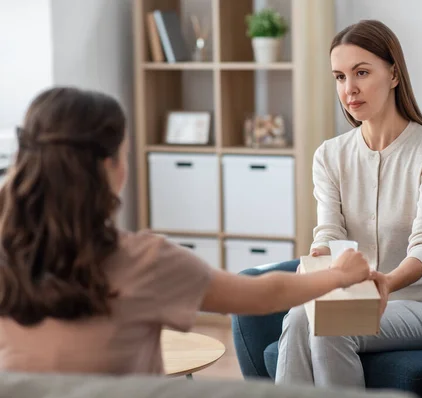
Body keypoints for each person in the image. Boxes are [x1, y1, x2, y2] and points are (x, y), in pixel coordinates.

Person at [0, 86, 372, 375]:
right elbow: (261, 295)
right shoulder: (145, 261)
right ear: (110, 166)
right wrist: (339, 275)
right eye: (126, 154)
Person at [275, 19, 422, 388]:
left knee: (331, 326)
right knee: (300, 316)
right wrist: (319, 268)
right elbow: (329, 231)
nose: (349, 89)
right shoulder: (330, 155)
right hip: (355, 296)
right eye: (340, 77)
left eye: (361, 72)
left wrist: (386, 283)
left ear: (393, 74)